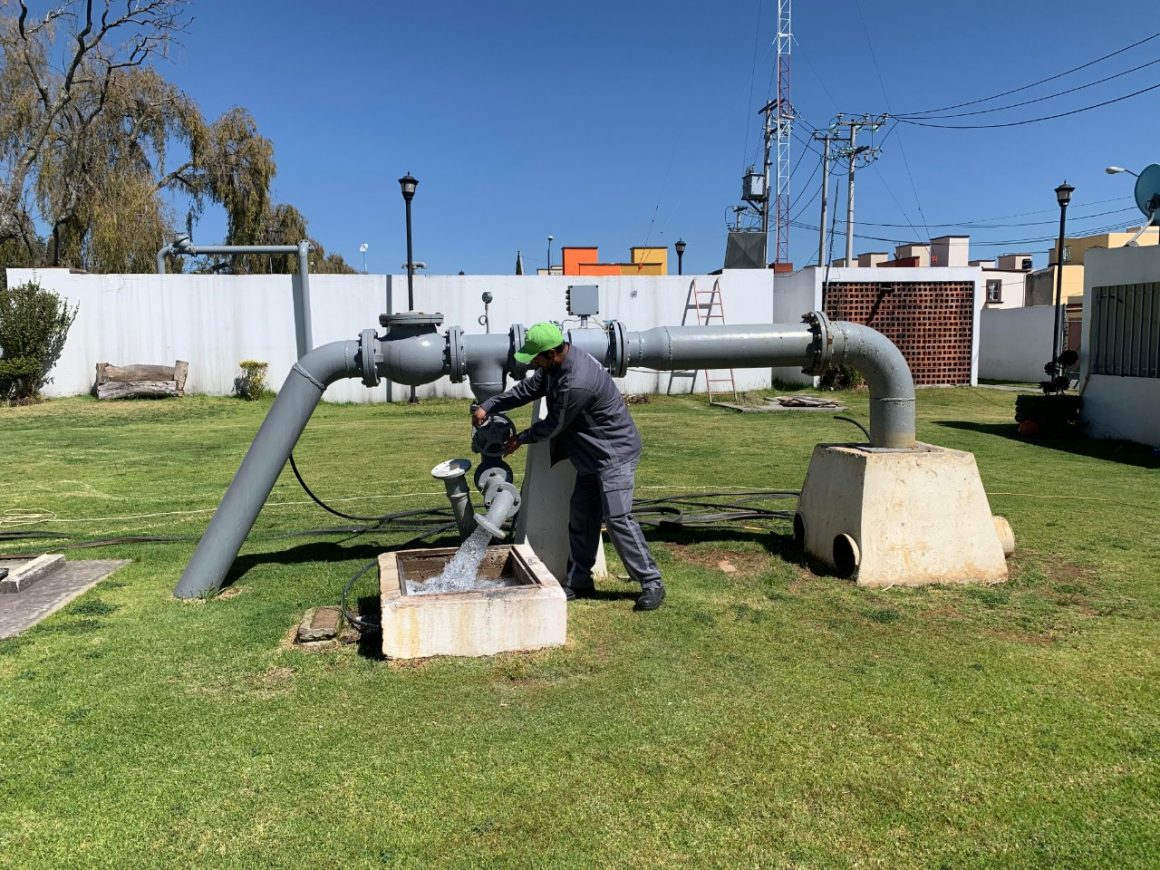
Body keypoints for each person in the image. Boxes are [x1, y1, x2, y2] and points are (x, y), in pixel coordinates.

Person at [471, 322, 666, 611]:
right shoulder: (554, 368)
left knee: (618, 519)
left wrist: (520, 439)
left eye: (536, 358)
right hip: (589, 456)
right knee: (581, 518)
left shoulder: (576, 381)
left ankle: (652, 582)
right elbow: (526, 390)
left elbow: (554, 425)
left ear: (551, 353)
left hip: (613, 456)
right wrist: (490, 405)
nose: (533, 363)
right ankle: (578, 582)